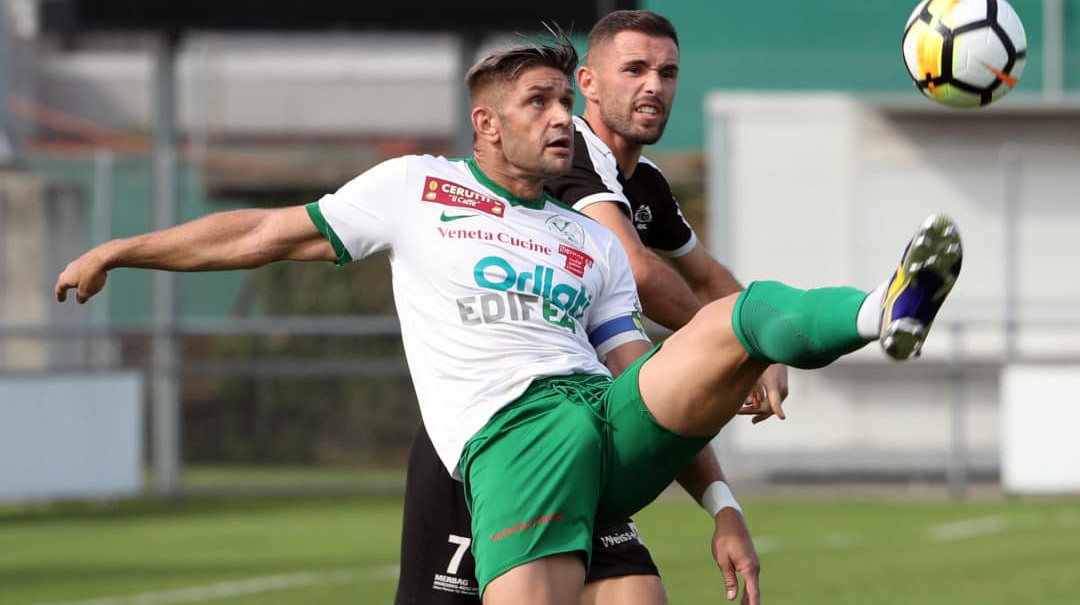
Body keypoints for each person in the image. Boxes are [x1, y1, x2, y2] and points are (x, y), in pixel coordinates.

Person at [55, 31, 962, 605]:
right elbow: (257, 230)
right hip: (517, 434)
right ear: (486, 124)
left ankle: (882, 311)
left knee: (738, 316)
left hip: (606, 423)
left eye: (568, 101)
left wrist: (721, 502)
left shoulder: (587, 238)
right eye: (541, 102)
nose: (564, 116)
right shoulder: (419, 187)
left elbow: (631, 372)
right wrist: (120, 248)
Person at [396, 10, 788, 605]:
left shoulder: (646, 182)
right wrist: (737, 345)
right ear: (590, 84)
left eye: (667, 71)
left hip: (583, 435)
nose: (654, 85)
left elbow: (710, 280)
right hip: (488, 435)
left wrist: (755, 343)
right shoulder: (572, 151)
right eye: (634, 69)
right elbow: (637, 268)